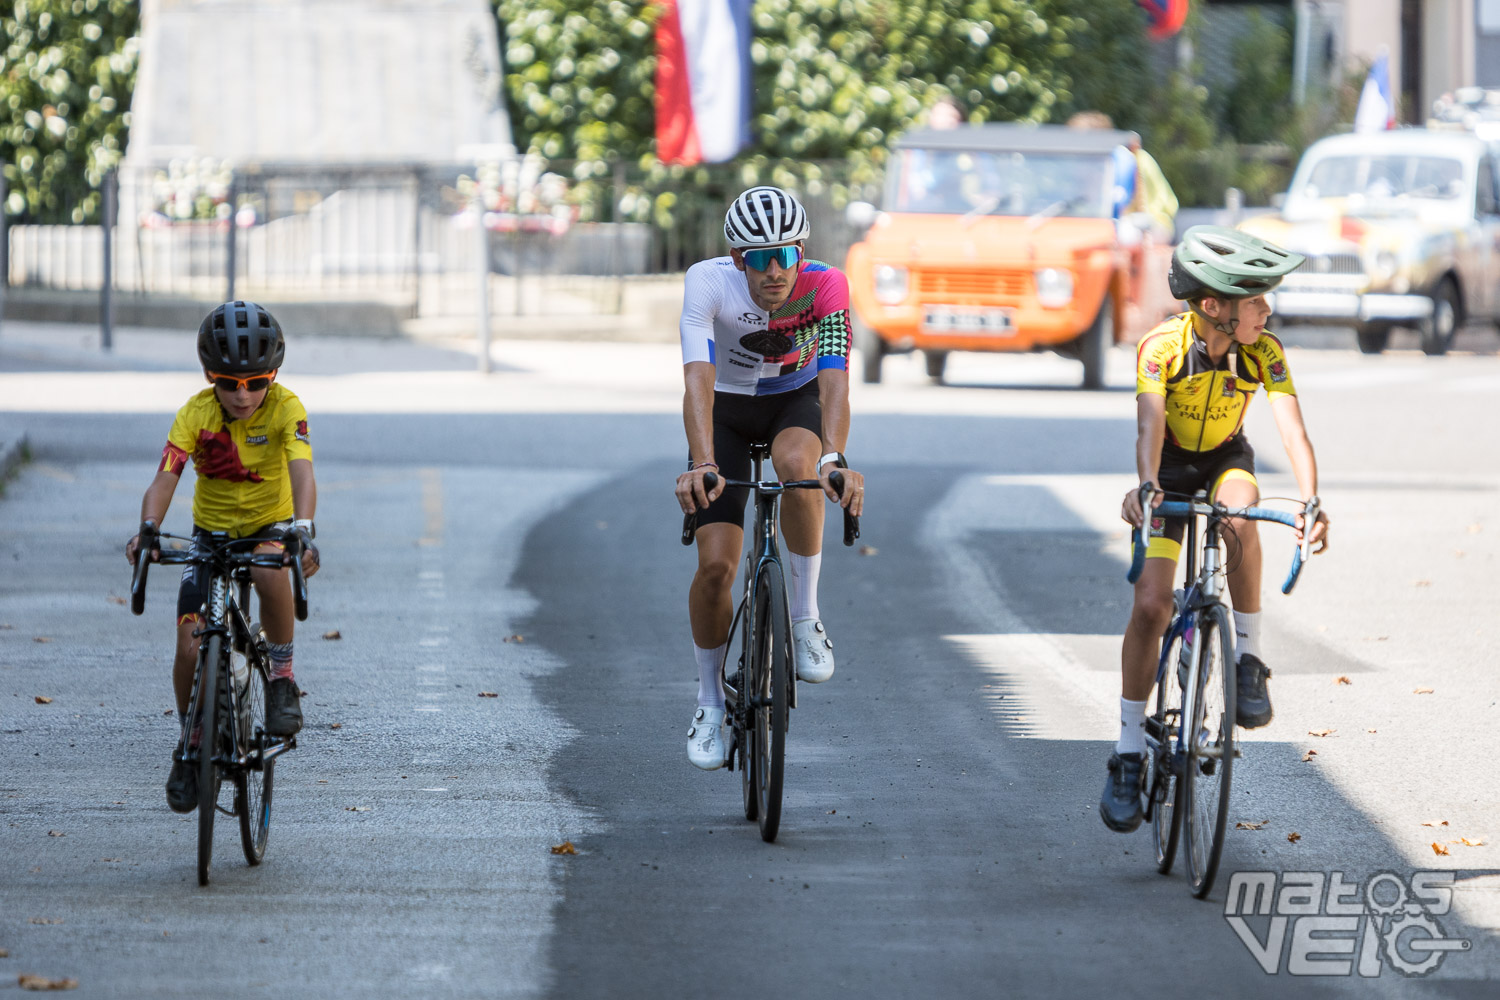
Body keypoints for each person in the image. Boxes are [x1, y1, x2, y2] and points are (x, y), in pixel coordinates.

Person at [1100, 227, 1330, 833]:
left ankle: (1248, 659)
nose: (1267, 311)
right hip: (1169, 468)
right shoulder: (1161, 347)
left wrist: (1310, 500)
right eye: (1256, 301)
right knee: (1151, 605)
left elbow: (1293, 431)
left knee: (1239, 516)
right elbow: (1149, 425)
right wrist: (1147, 485)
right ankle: (1128, 751)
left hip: (1227, 459)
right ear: (1213, 305)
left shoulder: (1264, 350)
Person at [674, 186, 866, 770]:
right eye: (761, 258)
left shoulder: (827, 284)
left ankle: (804, 616)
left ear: (800, 251)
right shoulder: (708, 281)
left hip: (793, 402)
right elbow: (697, 378)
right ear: (739, 259)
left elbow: (835, 378)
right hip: (725, 411)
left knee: (798, 467)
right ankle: (710, 702)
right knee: (716, 568)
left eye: (787, 254)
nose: (776, 270)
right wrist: (703, 463)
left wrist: (834, 458)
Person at [126, 301, 320, 813]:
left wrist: (303, 530)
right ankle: (191, 741)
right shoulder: (195, 414)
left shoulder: (287, 408)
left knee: (265, 569)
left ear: (272, 376)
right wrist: (148, 529)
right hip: (209, 534)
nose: (243, 395)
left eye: (256, 382)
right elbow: (165, 477)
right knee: (189, 646)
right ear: (209, 376)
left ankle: (282, 679)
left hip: (269, 526)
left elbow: (302, 471)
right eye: (228, 383)